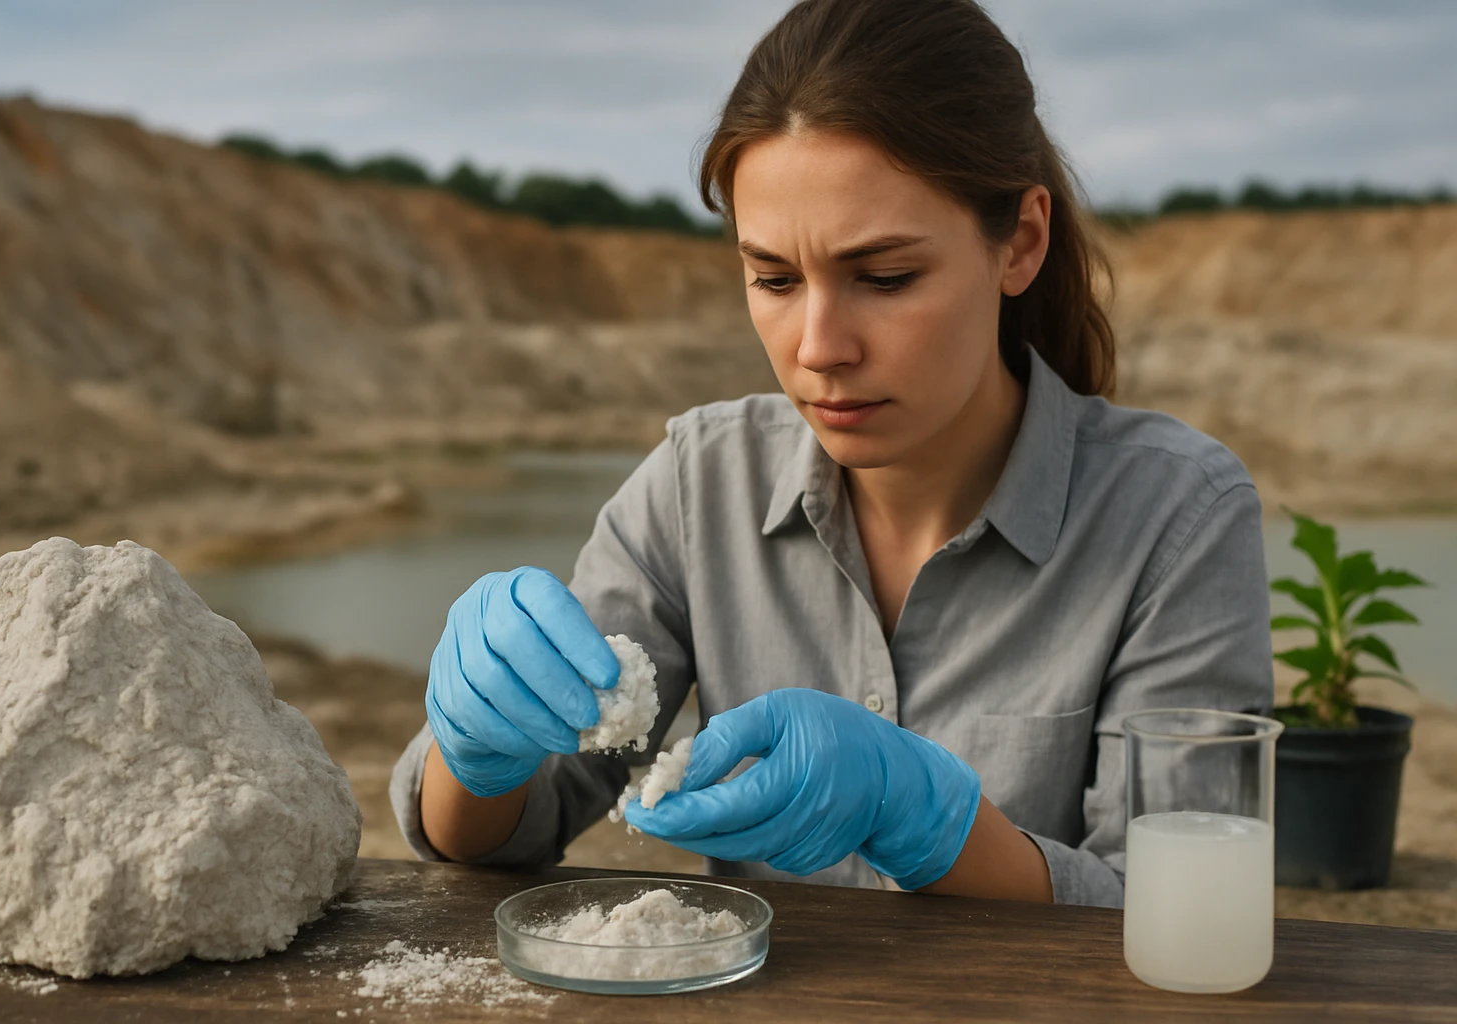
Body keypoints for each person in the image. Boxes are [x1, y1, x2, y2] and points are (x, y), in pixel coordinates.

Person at [390, 0, 1272, 907]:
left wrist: (931, 821)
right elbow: (511, 833)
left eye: (885, 278)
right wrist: (480, 755)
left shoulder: (1178, 516)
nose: (818, 347)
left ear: (1022, 243)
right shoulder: (701, 483)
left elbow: (1189, 909)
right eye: (772, 278)